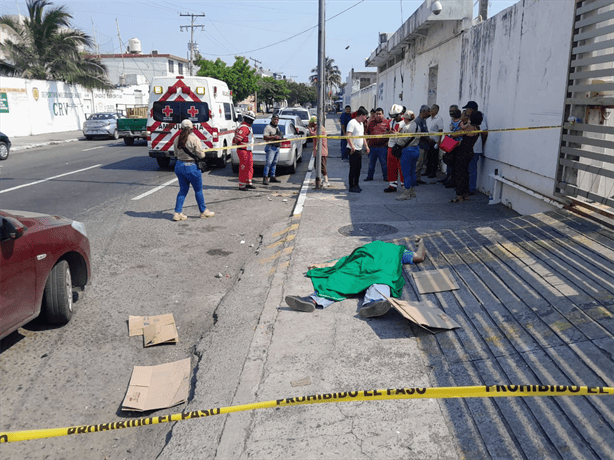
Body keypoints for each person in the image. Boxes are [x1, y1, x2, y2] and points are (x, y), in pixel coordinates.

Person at [285, 239, 426, 317]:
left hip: (368, 268)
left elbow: (343, 261)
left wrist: (324, 265)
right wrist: (421, 244)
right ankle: (374, 302)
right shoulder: (398, 250)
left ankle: (313, 300)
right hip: (369, 267)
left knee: (344, 277)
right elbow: (419, 256)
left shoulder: (398, 251)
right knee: (380, 279)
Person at [171, 119, 215, 221]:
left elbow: (175, 154)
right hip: (191, 166)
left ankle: (177, 213)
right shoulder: (194, 139)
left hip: (179, 166)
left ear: (180, 128)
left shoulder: (176, 139)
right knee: (198, 190)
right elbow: (201, 155)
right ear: (191, 129)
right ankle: (203, 211)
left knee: (182, 190)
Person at [449, 110, 483, 203]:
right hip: (470, 151)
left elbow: (455, 134)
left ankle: (459, 195)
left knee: (460, 173)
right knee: (466, 174)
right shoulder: (477, 128)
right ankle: (465, 194)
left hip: (462, 152)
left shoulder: (469, 128)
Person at [394, 110, 421, 201]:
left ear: (406, 118)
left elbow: (401, 141)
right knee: (413, 171)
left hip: (407, 151)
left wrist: (397, 136)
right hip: (416, 149)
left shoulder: (406, 128)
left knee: (406, 173)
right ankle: (412, 192)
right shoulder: (417, 126)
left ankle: (406, 193)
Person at [462, 101, 488, 195]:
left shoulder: (480, 117)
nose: (466, 111)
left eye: (467, 109)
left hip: (475, 148)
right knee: (467, 168)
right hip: (469, 147)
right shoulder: (469, 119)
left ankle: (471, 188)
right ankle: (466, 187)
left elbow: (484, 132)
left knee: (472, 169)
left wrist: (481, 144)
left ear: (471, 109)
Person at [346, 107, 370, 193]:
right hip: (352, 149)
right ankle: (351, 186)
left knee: (358, 168)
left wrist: (366, 146)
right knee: (353, 168)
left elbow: (362, 136)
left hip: (359, 149)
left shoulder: (361, 124)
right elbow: (348, 135)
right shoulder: (352, 123)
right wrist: (352, 146)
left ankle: (356, 184)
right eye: (365, 116)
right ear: (361, 115)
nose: (366, 118)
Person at [384, 104, 406, 193]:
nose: (394, 118)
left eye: (395, 116)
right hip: (391, 146)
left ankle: (406, 186)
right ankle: (392, 185)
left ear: (402, 114)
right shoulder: (391, 122)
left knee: (403, 167)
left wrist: (396, 134)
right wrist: (389, 132)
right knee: (391, 167)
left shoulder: (406, 123)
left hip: (402, 147)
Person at [233, 110, 256, 191]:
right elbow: (237, 139)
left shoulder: (247, 127)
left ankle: (248, 182)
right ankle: (242, 185)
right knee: (243, 167)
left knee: (249, 166)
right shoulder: (244, 127)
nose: (251, 121)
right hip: (243, 150)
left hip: (248, 150)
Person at [365, 107, 390, 182]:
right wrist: (367, 144)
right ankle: (370, 176)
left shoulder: (386, 123)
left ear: (382, 114)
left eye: (380, 114)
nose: (378, 115)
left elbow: (390, 133)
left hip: (382, 147)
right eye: (377, 114)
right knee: (371, 163)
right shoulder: (371, 123)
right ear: (374, 115)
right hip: (372, 147)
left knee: (384, 163)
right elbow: (367, 133)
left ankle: (386, 177)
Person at [441, 107, 463, 188]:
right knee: (451, 163)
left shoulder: (460, 123)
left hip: (456, 144)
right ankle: (450, 179)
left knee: (453, 163)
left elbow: (456, 132)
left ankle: (452, 181)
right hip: (454, 143)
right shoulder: (456, 122)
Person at [308, 116, 329, 186]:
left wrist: (309, 128)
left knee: (322, 166)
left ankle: (326, 180)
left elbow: (313, 135)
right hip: (319, 150)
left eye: (310, 122)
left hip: (321, 150)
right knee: (316, 165)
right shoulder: (318, 127)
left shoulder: (318, 127)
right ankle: (318, 179)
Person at [414, 105, 432, 185]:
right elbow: (420, 134)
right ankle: (414, 179)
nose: (429, 113)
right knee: (418, 163)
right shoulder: (418, 121)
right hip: (419, 145)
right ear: (424, 111)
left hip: (424, 145)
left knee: (421, 163)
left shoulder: (423, 120)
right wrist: (428, 139)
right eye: (428, 111)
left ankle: (418, 178)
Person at [262, 115, 282, 185]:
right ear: (271, 119)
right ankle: (265, 177)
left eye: (277, 120)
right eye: (275, 119)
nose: (276, 121)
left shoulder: (277, 127)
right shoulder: (268, 127)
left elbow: (278, 136)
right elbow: (265, 137)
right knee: (268, 163)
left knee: (274, 163)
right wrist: (274, 137)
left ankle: (272, 177)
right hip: (271, 147)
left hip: (277, 147)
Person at [425, 104, 444, 178]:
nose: (431, 110)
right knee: (428, 157)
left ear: (436, 110)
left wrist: (439, 141)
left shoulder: (439, 119)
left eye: (433, 109)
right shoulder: (428, 119)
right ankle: (428, 171)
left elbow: (440, 131)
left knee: (434, 157)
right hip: (428, 140)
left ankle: (433, 172)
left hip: (435, 141)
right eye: (431, 109)